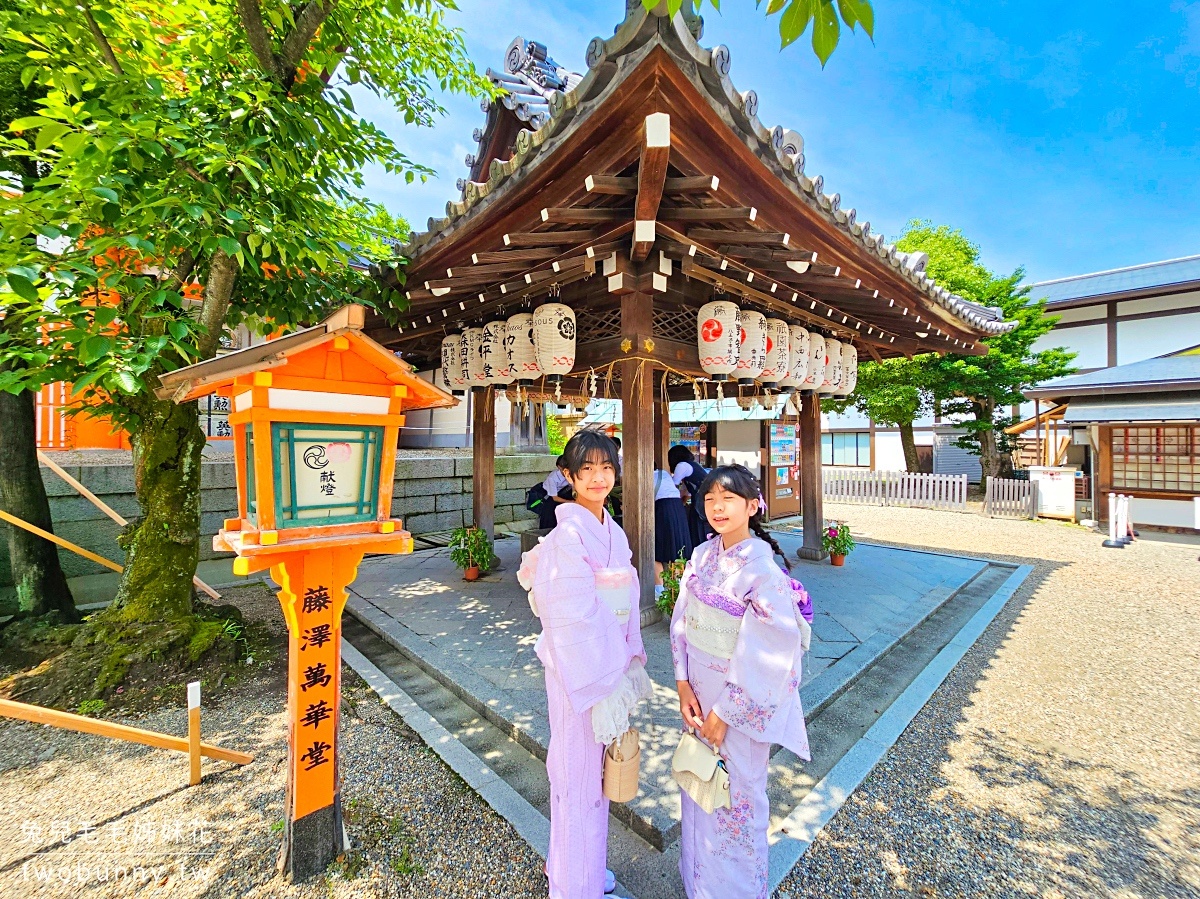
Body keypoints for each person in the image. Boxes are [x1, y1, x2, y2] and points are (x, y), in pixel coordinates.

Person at [670, 464, 811, 899]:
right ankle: (698, 881)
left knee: (737, 797)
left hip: (735, 703)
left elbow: (772, 650)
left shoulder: (762, 572)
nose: (717, 507)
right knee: (699, 784)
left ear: (753, 505)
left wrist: (726, 711)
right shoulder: (700, 556)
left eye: (729, 498)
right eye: (709, 499)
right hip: (698, 694)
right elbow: (682, 621)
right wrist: (682, 684)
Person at [520, 430, 650, 899]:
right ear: (570, 477)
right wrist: (614, 663)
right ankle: (575, 886)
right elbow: (571, 612)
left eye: (606, 468)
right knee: (576, 773)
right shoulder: (565, 537)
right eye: (587, 469)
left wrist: (624, 656)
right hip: (580, 669)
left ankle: (583, 869)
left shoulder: (610, 530)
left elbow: (627, 595)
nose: (598, 478)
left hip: (606, 664)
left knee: (594, 778)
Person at [653, 465, 694, 589]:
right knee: (677, 549)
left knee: (656, 551)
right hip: (677, 508)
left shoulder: (647, 476)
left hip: (663, 508)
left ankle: (659, 589)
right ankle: (677, 587)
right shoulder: (664, 474)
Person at [668, 444, 710, 546]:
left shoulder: (682, 465)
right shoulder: (692, 465)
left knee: (698, 527)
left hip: (701, 501)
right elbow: (686, 490)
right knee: (699, 528)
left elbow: (673, 485)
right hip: (703, 500)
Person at [538, 455, 573, 529]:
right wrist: (571, 502)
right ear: (559, 467)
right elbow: (555, 498)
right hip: (550, 498)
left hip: (565, 494)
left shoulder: (572, 473)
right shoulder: (553, 478)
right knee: (550, 521)